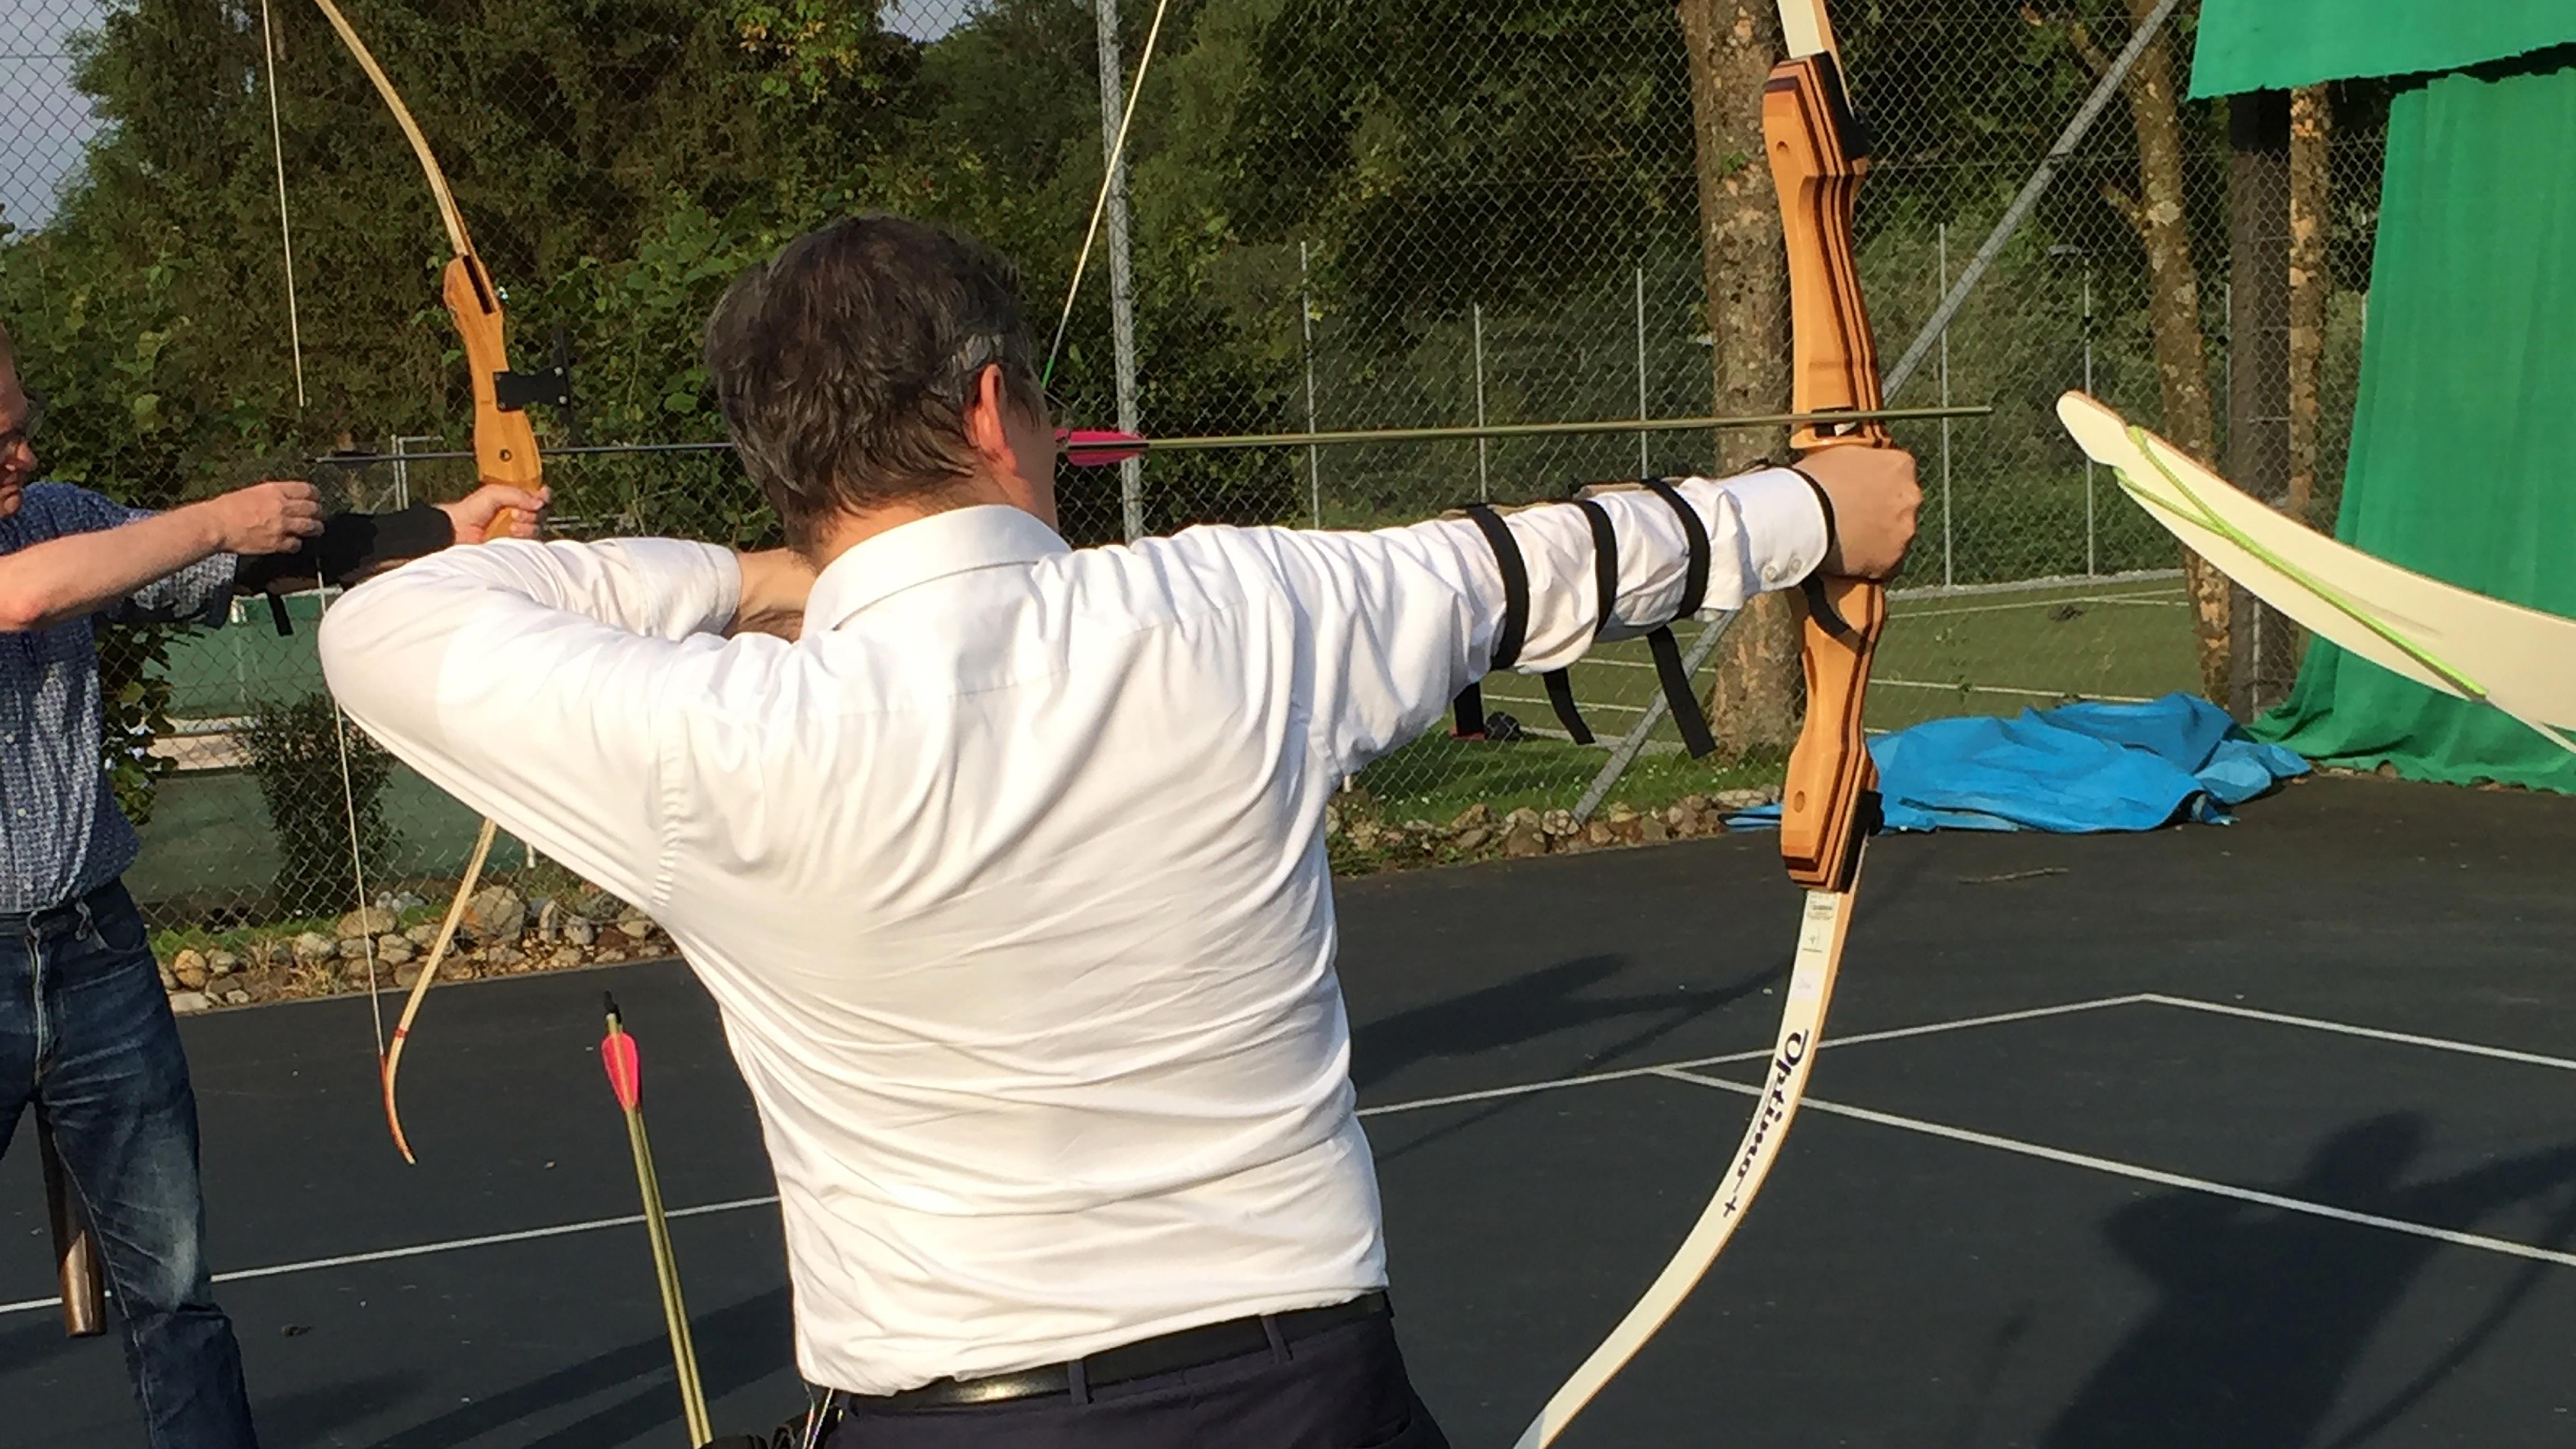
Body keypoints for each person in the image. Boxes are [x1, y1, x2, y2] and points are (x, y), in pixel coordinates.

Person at [318, 214, 1919, 1449]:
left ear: (781, 458)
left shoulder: (707, 734)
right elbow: (1554, 562)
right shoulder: (1234, 610)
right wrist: (1816, 509)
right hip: (1305, 1399)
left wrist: (756, 580)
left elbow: (391, 621)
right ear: (999, 407)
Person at [0, 318, 546, 1449]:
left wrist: (454, 523)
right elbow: (27, 599)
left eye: (24, 429)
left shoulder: (60, 517)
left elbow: (265, 554)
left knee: (173, 1284)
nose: (23, 456)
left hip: (91, 952)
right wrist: (212, 518)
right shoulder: (41, 554)